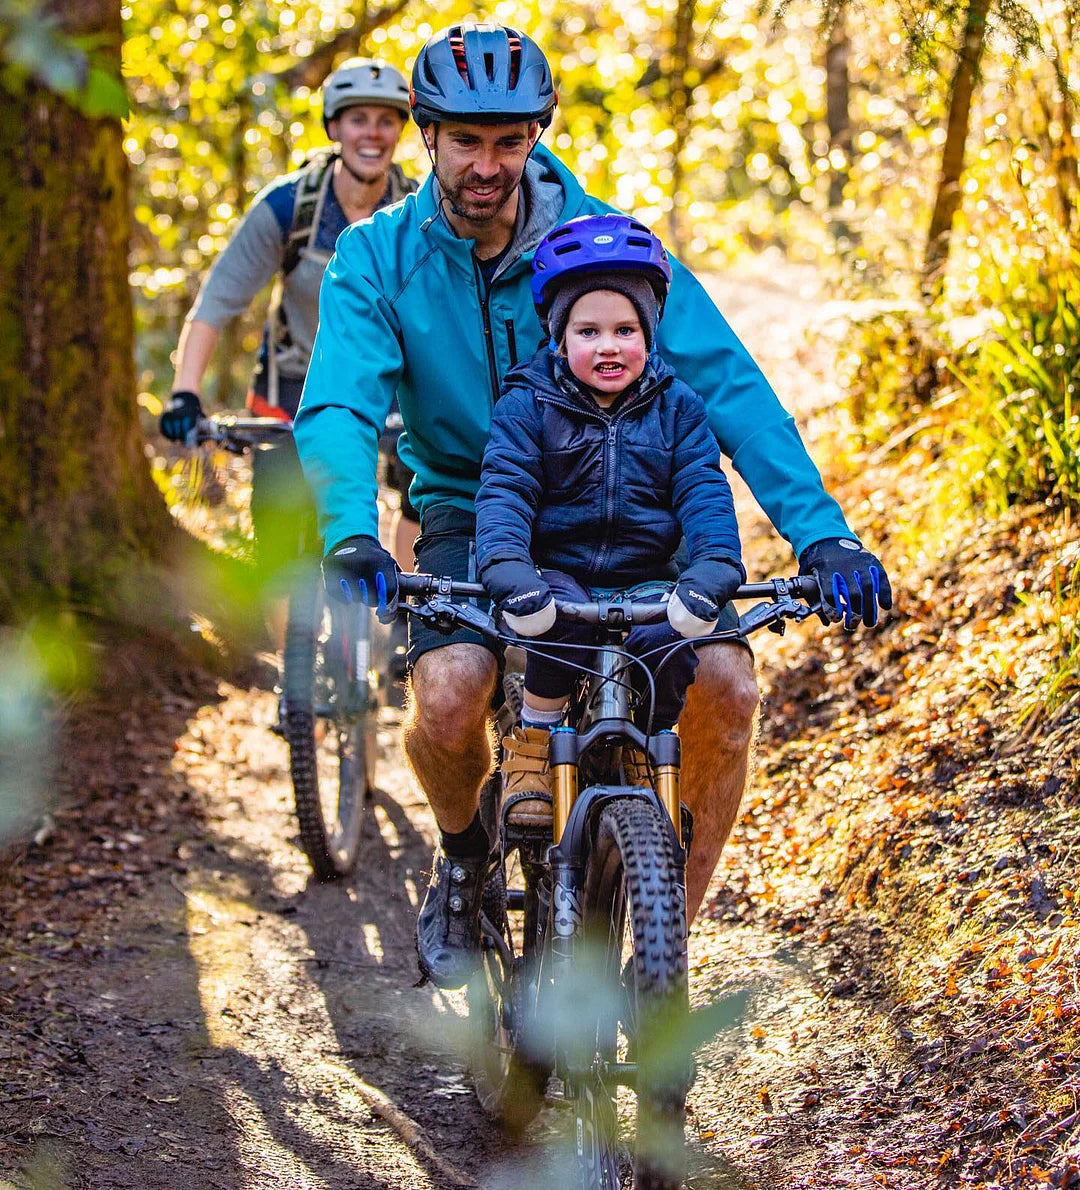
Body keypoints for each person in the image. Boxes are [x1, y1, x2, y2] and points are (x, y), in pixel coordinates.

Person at [295, 22, 893, 990]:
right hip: (466, 502)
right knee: (448, 695)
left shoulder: (607, 246)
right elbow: (338, 401)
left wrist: (822, 530)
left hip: (630, 510)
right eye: (465, 140)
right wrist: (350, 528)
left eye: (508, 140)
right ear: (425, 134)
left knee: (728, 688)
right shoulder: (377, 259)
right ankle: (460, 859)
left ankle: (665, 945)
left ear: (537, 132)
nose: (488, 164)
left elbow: (726, 384)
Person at [475, 213, 746, 803]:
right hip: (557, 574)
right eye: (588, 331)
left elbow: (704, 492)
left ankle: (648, 748)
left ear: (649, 335)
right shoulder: (527, 404)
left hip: (648, 577)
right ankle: (536, 734)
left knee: (671, 644)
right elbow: (506, 490)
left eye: (625, 330)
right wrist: (507, 567)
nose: (608, 346)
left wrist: (713, 567)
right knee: (560, 628)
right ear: (559, 336)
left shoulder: (678, 409)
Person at [158, 59, 421, 619]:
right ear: (333, 128)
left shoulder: (418, 213)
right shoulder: (289, 207)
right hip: (292, 381)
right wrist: (184, 393)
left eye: (385, 120)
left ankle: (407, 625)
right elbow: (216, 303)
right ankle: (292, 686)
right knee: (277, 528)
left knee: (419, 491)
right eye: (357, 120)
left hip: (390, 382)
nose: (372, 133)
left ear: (401, 130)